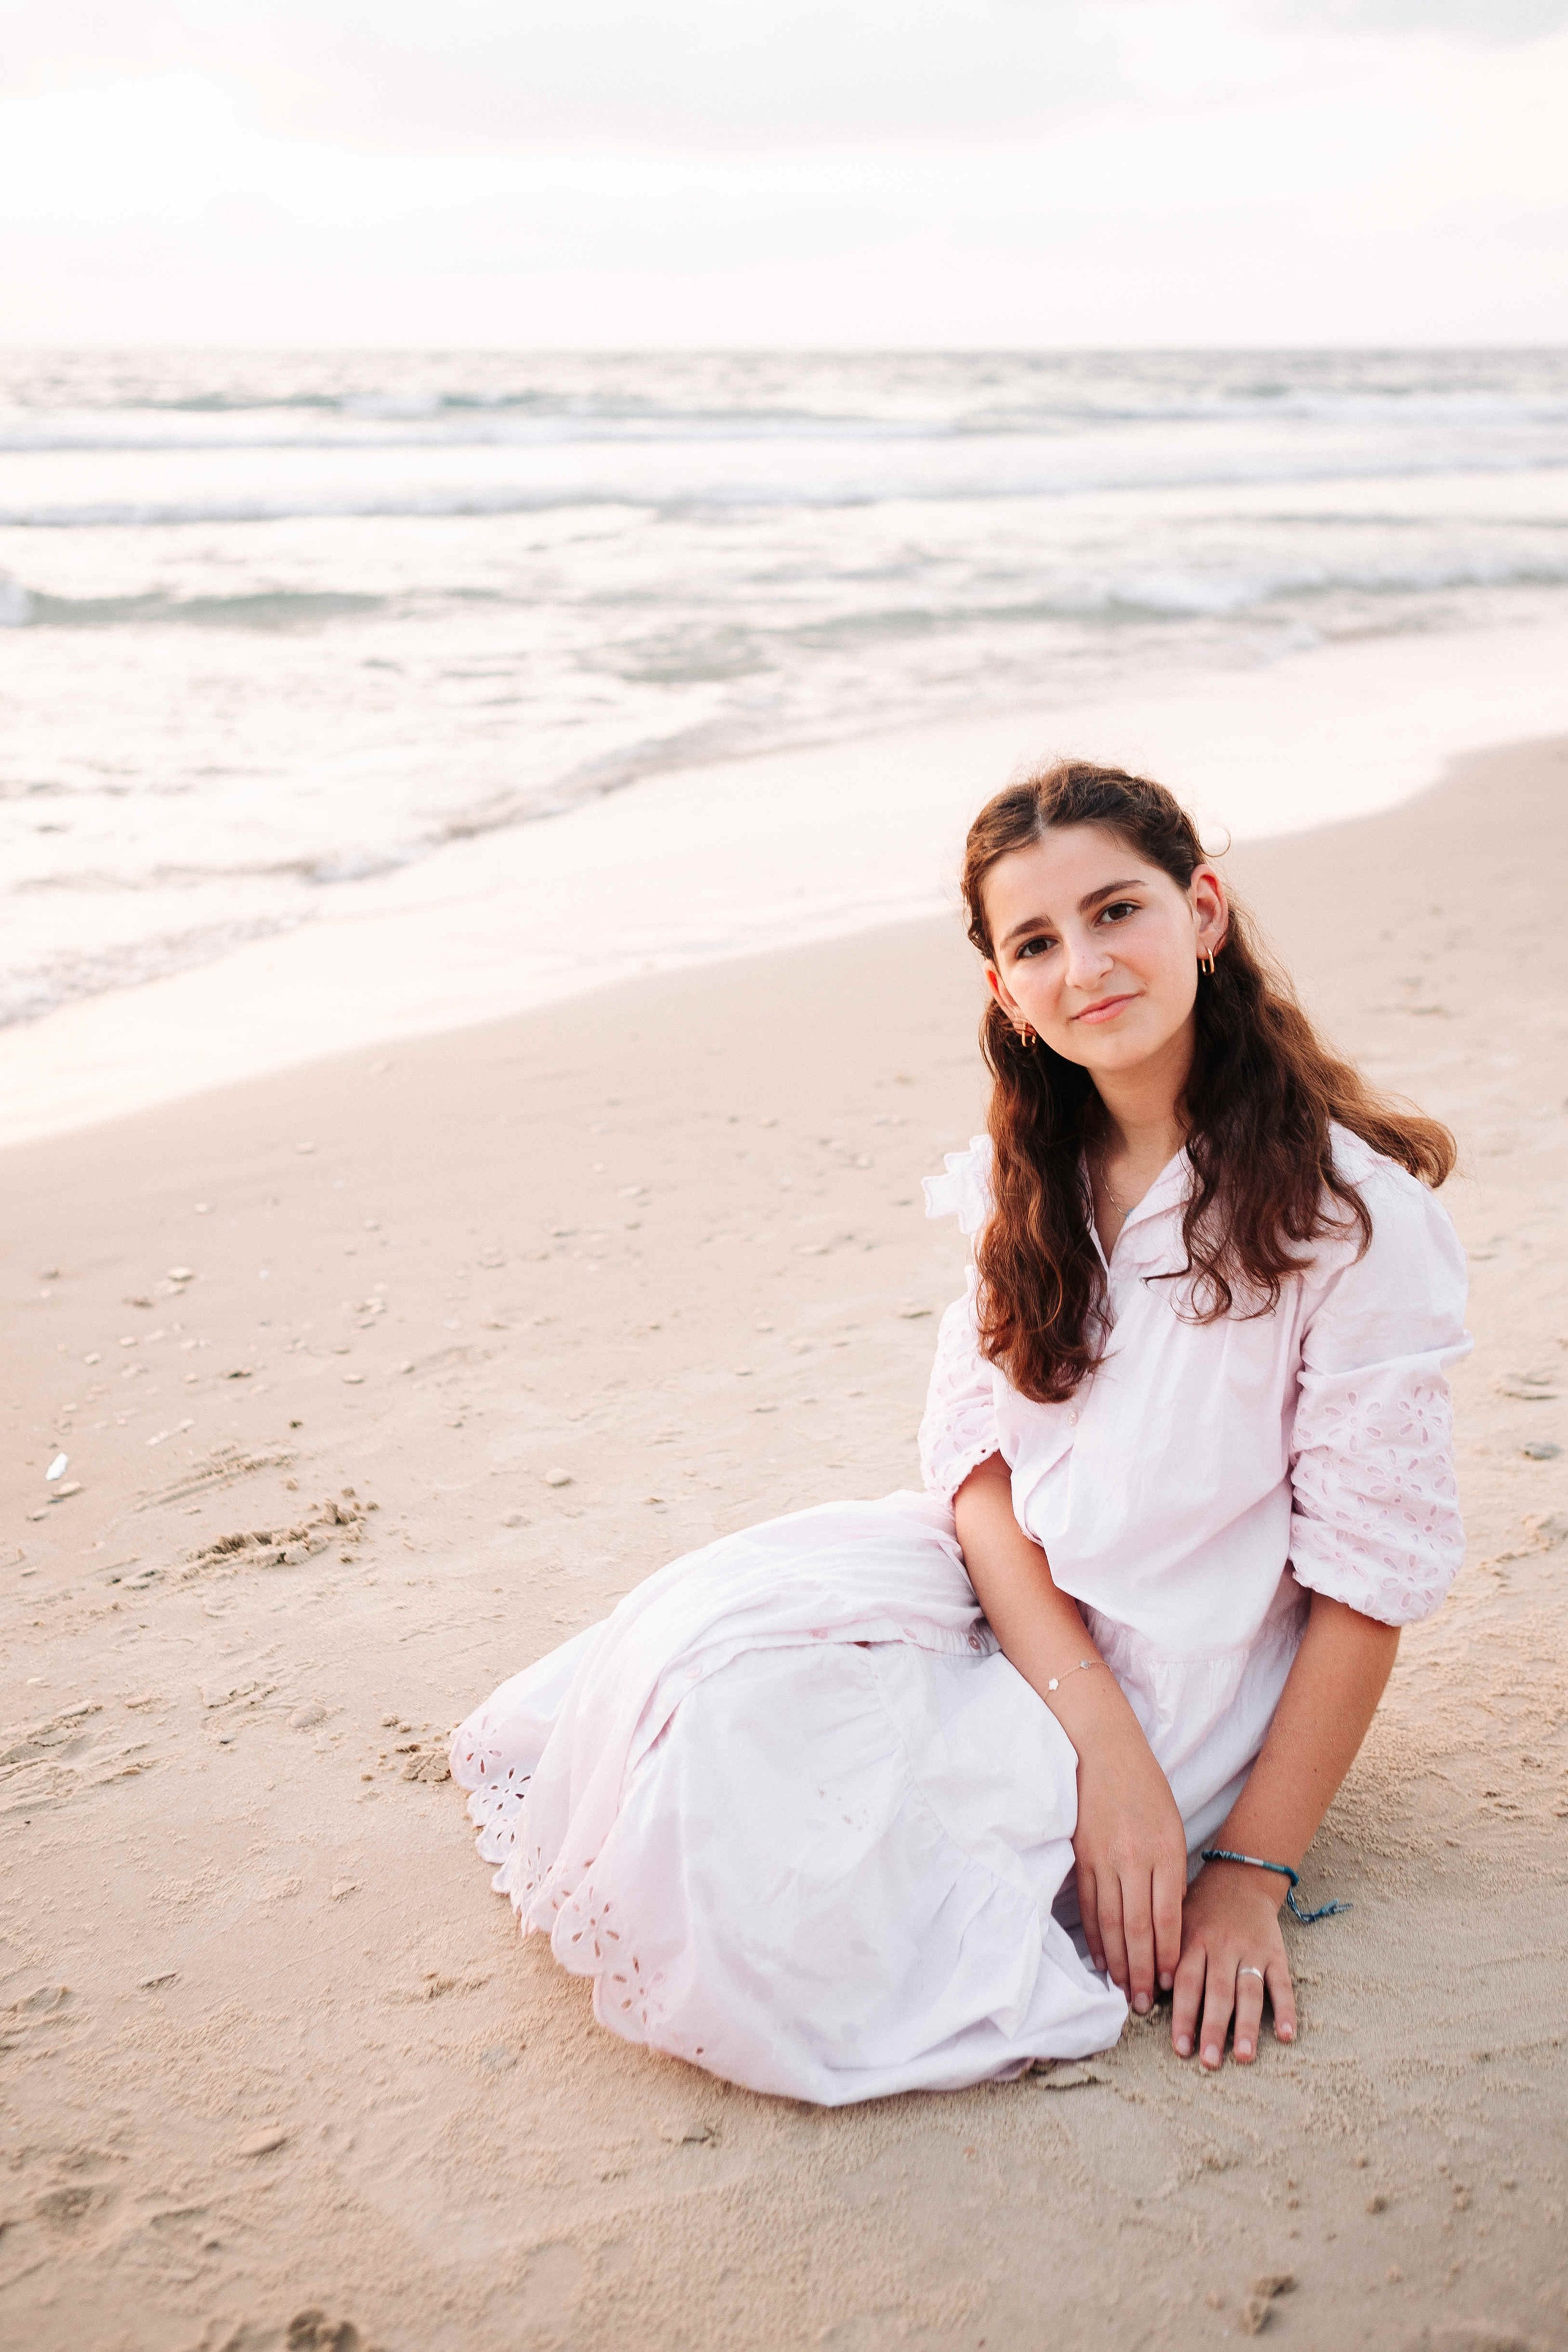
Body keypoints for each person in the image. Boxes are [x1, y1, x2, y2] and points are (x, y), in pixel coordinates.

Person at [450, 760, 1468, 2106]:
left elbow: (1367, 1579)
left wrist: (1247, 1874)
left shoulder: (1349, 1220)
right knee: (703, 1684)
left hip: (1185, 1665)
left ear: (1202, 912)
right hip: (1015, 1603)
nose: (1084, 964)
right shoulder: (1030, 1173)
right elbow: (976, 1477)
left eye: (1116, 912)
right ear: (1003, 988)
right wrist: (1090, 1731)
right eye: (1035, 942)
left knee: (814, 1908)